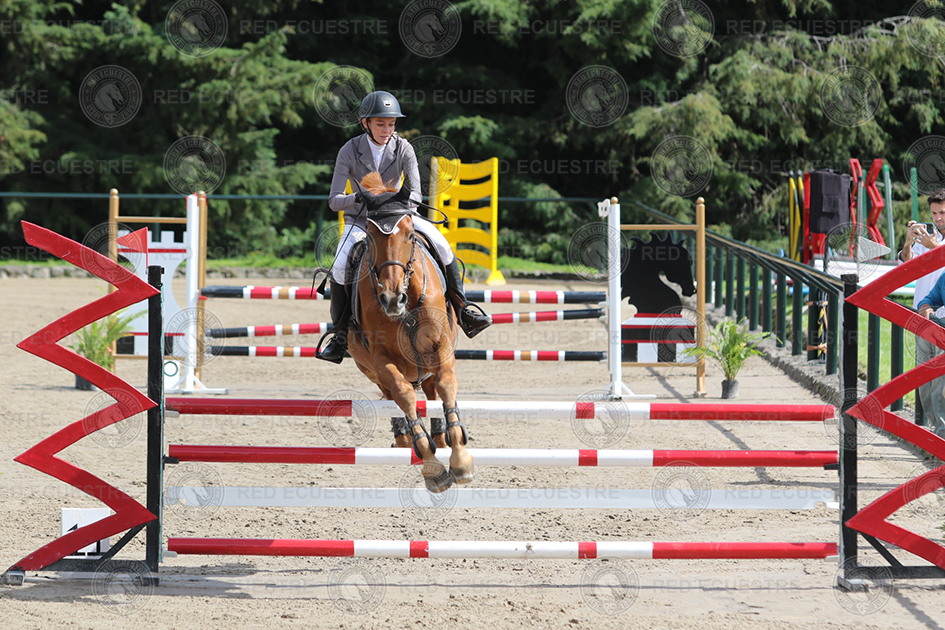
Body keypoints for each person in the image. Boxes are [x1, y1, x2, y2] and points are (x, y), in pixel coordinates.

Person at [317, 90, 491, 363]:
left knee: (443, 245)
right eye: (380, 124)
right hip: (362, 221)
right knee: (339, 265)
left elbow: (416, 194)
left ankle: (463, 309)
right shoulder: (349, 150)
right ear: (365, 123)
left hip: (398, 216)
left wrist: (392, 201)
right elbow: (334, 201)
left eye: (391, 124)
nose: (387, 130)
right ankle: (339, 335)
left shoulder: (404, 148)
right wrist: (358, 197)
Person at [904, 188, 945, 438]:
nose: (938, 218)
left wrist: (935, 248)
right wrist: (908, 242)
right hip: (922, 314)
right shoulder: (926, 236)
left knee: (940, 382)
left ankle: (941, 435)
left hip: (943, 318)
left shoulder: (932, 242)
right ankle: (935, 433)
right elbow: (906, 265)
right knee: (924, 381)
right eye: (934, 213)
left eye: (942, 213)